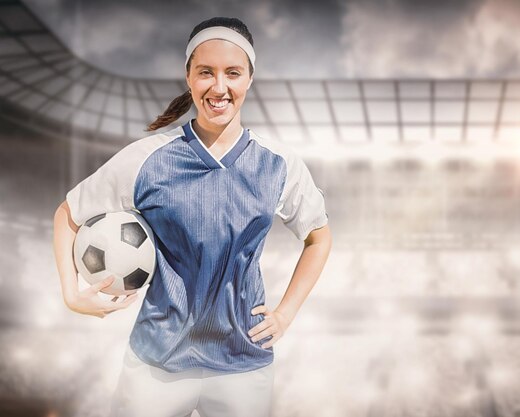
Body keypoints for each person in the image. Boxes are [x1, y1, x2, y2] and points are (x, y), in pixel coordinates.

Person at [52, 16, 332, 417]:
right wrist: (70, 292)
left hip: (243, 364)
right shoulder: (147, 158)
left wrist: (286, 313)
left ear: (250, 78)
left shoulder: (278, 164)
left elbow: (319, 237)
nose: (219, 87)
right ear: (188, 77)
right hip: (155, 363)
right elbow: (68, 214)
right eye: (206, 72)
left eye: (232, 73)